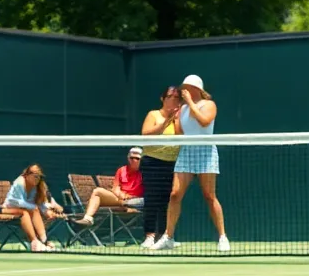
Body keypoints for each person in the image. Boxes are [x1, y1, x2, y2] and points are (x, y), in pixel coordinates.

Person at [154, 75, 229, 252]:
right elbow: (180, 133)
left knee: (209, 196)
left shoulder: (209, 105)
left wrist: (190, 104)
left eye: (187, 87)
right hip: (187, 151)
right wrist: (176, 117)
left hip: (205, 151)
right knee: (175, 194)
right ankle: (168, 237)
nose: (183, 90)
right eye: (183, 87)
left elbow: (204, 122)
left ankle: (222, 237)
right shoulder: (184, 109)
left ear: (196, 89)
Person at [139, 86, 182, 249]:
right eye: (170, 96)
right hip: (152, 162)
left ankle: (165, 236)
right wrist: (166, 121)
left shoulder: (179, 118)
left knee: (168, 200)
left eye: (177, 97)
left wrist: (176, 119)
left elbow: (180, 137)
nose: (173, 100)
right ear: (163, 99)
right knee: (151, 200)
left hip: (172, 163)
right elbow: (146, 135)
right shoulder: (153, 114)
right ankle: (149, 235)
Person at [75, 147, 145, 226]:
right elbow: (115, 188)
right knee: (97, 191)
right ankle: (88, 219)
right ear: (128, 158)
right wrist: (121, 194)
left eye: (137, 158)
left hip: (137, 201)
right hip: (120, 200)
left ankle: (128, 207)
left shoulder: (145, 172)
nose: (133, 160)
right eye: (131, 158)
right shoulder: (122, 170)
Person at [2, 164, 63, 252]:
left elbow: (38, 204)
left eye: (39, 177)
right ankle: (34, 242)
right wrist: (34, 207)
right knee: (25, 213)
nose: (37, 179)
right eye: (35, 176)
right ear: (27, 175)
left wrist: (47, 212)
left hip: (24, 210)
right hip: (7, 209)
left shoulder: (35, 187)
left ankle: (43, 241)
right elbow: (15, 201)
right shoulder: (19, 183)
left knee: (41, 213)